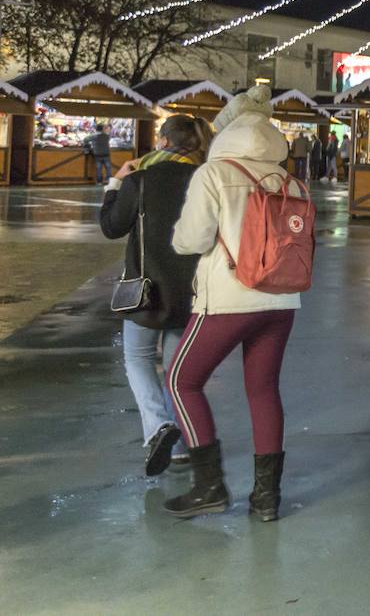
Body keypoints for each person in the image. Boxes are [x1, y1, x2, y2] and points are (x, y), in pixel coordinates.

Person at [165, 86, 306, 521]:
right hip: (282, 298)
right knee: (263, 388)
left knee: (180, 381)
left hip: (228, 299)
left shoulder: (214, 173)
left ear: (226, 131)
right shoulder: (291, 179)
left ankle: (209, 486)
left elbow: (191, 240)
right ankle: (266, 498)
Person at [99, 114, 209, 476]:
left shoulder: (140, 179)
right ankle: (177, 447)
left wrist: (116, 183)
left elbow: (112, 227)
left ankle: (159, 427)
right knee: (177, 372)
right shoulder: (205, 179)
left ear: (163, 140)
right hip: (192, 292)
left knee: (138, 359)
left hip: (146, 293)